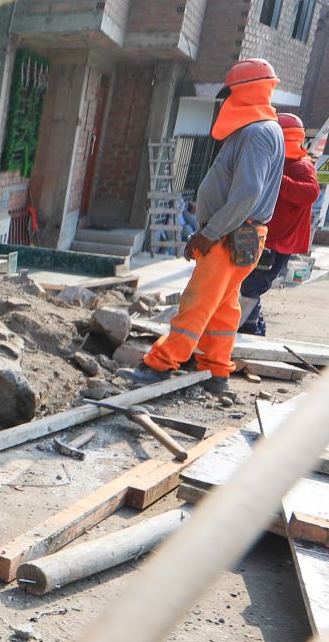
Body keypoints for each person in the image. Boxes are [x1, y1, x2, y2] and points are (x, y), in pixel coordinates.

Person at [121, 58, 285, 392]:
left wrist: (209, 233)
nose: (225, 102)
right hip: (242, 234)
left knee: (196, 301)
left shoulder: (256, 133)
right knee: (225, 307)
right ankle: (217, 372)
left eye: (229, 95)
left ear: (244, 92)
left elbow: (247, 193)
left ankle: (160, 365)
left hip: (230, 235)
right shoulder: (263, 130)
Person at [238, 112, 320, 336]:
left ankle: (249, 331)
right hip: (260, 234)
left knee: (251, 287)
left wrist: (277, 178)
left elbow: (311, 193)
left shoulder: (301, 166)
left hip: (278, 240)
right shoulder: (278, 161)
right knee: (246, 285)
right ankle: (253, 329)